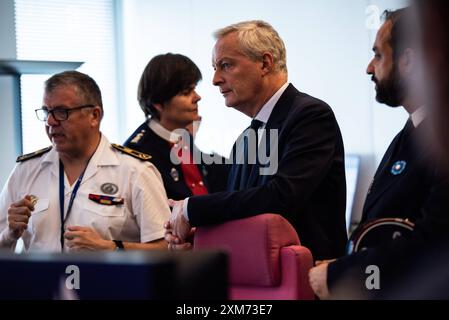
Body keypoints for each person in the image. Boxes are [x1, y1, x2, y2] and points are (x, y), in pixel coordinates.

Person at [167, 20, 347, 261]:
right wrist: (197, 237)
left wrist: (191, 209)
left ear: (265, 63)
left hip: (308, 281)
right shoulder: (245, 138)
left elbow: (280, 197)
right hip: (256, 280)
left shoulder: (310, 115)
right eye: (215, 68)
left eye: (226, 65)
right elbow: (243, 213)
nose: (215, 79)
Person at [308, 7, 449, 299]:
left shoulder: (439, 136)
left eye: (378, 54)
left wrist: (340, 274)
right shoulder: (412, 130)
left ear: (408, 60)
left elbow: (433, 239)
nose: (369, 68)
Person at [0, 71, 170, 252]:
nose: (50, 121)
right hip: (42, 281)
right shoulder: (25, 171)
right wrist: (10, 234)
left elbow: (166, 248)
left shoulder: (135, 171)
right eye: (46, 112)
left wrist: (112, 248)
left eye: (61, 112)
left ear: (94, 116)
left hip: (107, 280)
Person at [124, 53, 229, 201]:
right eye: (186, 93)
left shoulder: (182, 135)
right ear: (158, 103)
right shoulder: (137, 154)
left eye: (194, 89)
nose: (197, 97)